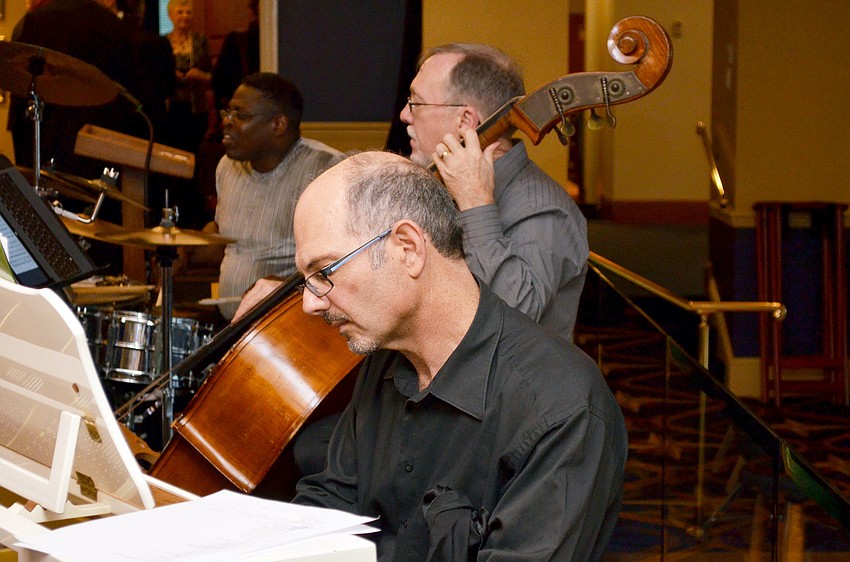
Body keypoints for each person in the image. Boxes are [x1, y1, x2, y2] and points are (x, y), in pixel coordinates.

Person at [290, 151, 627, 561]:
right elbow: (333, 500)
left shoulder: (561, 409)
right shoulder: (384, 356)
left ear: (408, 248)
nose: (310, 303)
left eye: (325, 272)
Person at [236, 43, 588, 343]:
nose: (404, 114)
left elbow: (516, 319)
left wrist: (476, 202)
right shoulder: (435, 185)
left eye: (416, 103)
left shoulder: (544, 209)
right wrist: (289, 297)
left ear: (465, 121)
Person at [213, 72, 340, 321]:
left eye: (241, 115)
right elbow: (230, 238)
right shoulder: (226, 167)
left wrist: (285, 287)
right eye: (227, 112)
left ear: (278, 125)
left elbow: (345, 262)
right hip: (231, 327)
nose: (227, 122)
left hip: (292, 327)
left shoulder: (326, 167)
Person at [211, 0, 260, 112]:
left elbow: (219, 78)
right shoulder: (279, 41)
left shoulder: (236, 40)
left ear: (251, 13)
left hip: (239, 105)